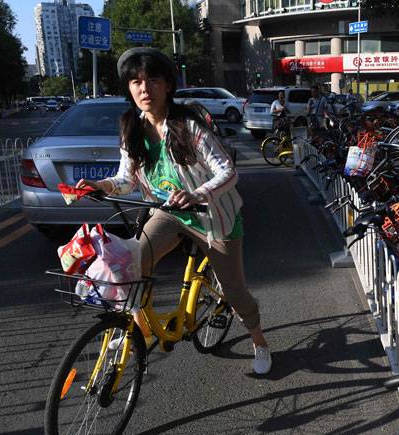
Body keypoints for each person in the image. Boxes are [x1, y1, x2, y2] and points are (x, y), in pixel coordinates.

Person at [75, 47, 272, 375]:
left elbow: (228, 172)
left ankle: (260, 341)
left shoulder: (188, 125)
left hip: (212, 214)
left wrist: (196, 193)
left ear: (167, 85)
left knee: (235, 292)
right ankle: (138, 328)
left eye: (152, 80)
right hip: (168, 212)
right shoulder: (132, 128)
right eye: (136, 81)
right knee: (130, 263)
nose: (144, 88)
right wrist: (101, 187)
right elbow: (125, 180)